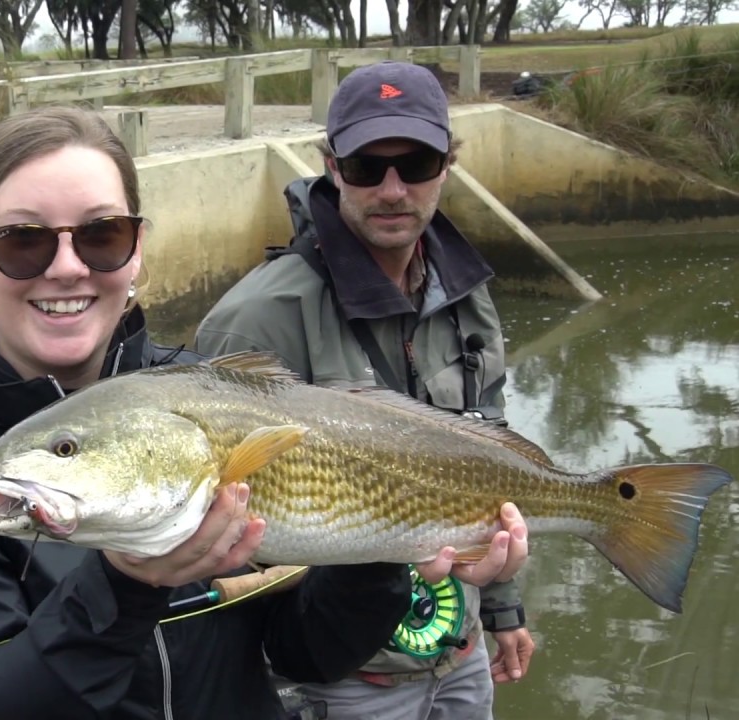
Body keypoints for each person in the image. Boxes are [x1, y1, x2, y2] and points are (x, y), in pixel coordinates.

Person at [0, 104, 530, 720]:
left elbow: (303, 657)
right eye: (23, 241)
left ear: (136, 248)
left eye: (100, 236)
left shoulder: (204, 388)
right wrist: (126, 587)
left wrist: (376, 554)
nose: (66, 267)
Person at [194, 61, 537, 719]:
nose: (392, 189)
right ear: (330, 165)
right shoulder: (255, 319)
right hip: (342, 680)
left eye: (416, 163)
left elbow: (491, 460)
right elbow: (221, 525)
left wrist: (502, 606)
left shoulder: (470, 297)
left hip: (461, 659)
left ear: (447, 164)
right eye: (364, 168)